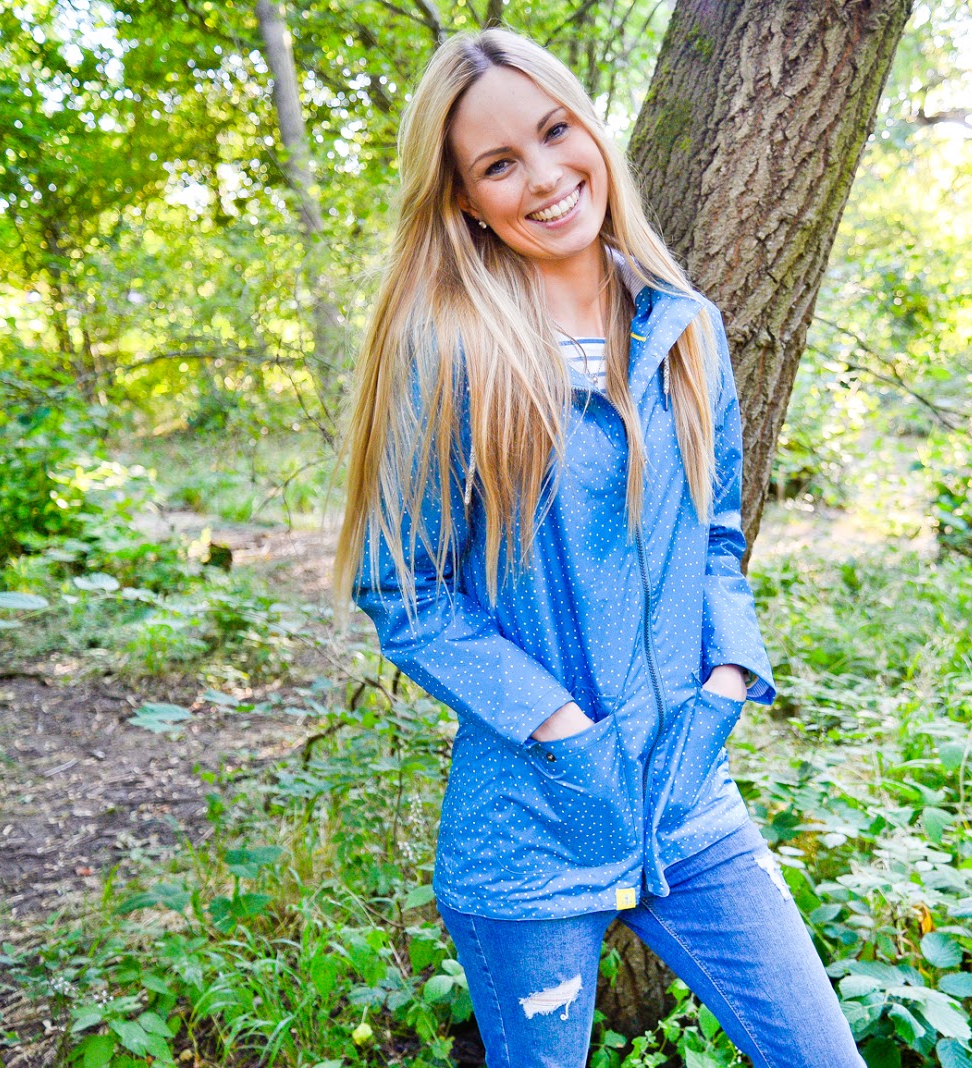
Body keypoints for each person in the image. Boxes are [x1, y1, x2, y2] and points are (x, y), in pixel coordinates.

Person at [333, 27, 864, 1068]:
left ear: (590, 127)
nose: (542, 176)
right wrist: (564, 730)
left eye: (553, 131)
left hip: (688, 800)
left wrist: (726, 676)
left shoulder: (687, 327)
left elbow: (717, 532)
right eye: (498, 164)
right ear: (463, 199)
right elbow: (403, 590)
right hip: (533, 825)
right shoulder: (448, 349)